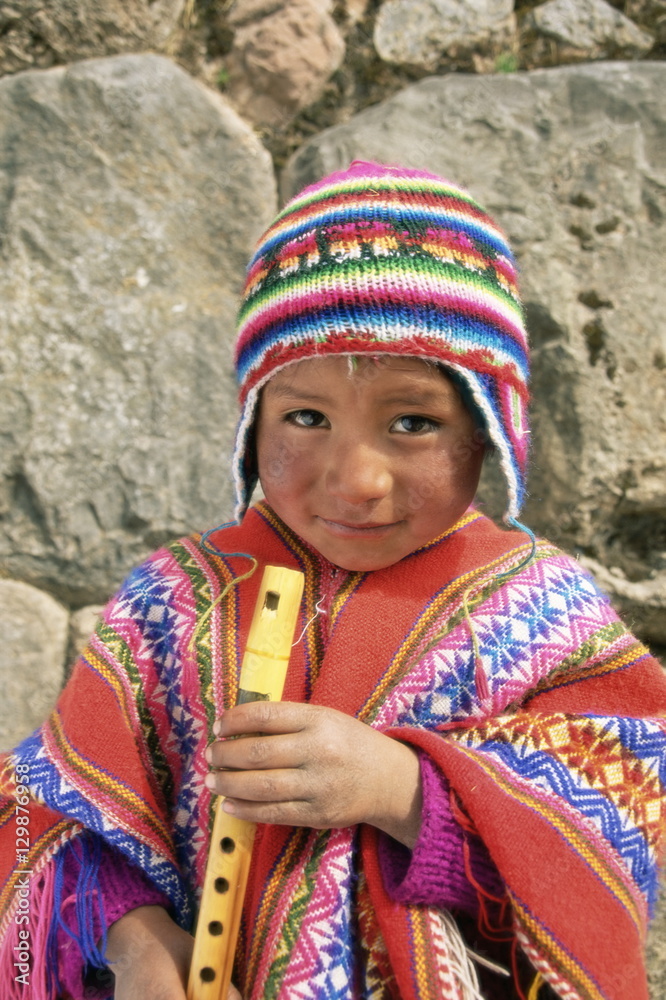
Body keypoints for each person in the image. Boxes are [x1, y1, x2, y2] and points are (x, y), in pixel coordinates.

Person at [1, 160, 665, 1000]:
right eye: (305, 417)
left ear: (494, 429)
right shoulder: (176, 601)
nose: (355, 478)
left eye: (414, 421)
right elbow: (41, 813)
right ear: (252, 423)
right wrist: (137, 944)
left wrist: (401, 789)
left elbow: (626, 812)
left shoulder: (541, 610)